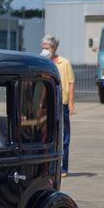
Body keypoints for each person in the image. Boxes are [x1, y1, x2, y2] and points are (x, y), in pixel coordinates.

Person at [41, 35, 75, 176]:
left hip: (62, 104)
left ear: (54, 48)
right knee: (46, 135)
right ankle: (47, 167)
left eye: (47, 48)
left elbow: (70, 83)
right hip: (45, 104)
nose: (44, 50)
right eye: (43, 48)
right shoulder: (42, 62)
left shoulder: (64, 63)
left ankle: (63, 168)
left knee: (64, 135)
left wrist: (71, 103)